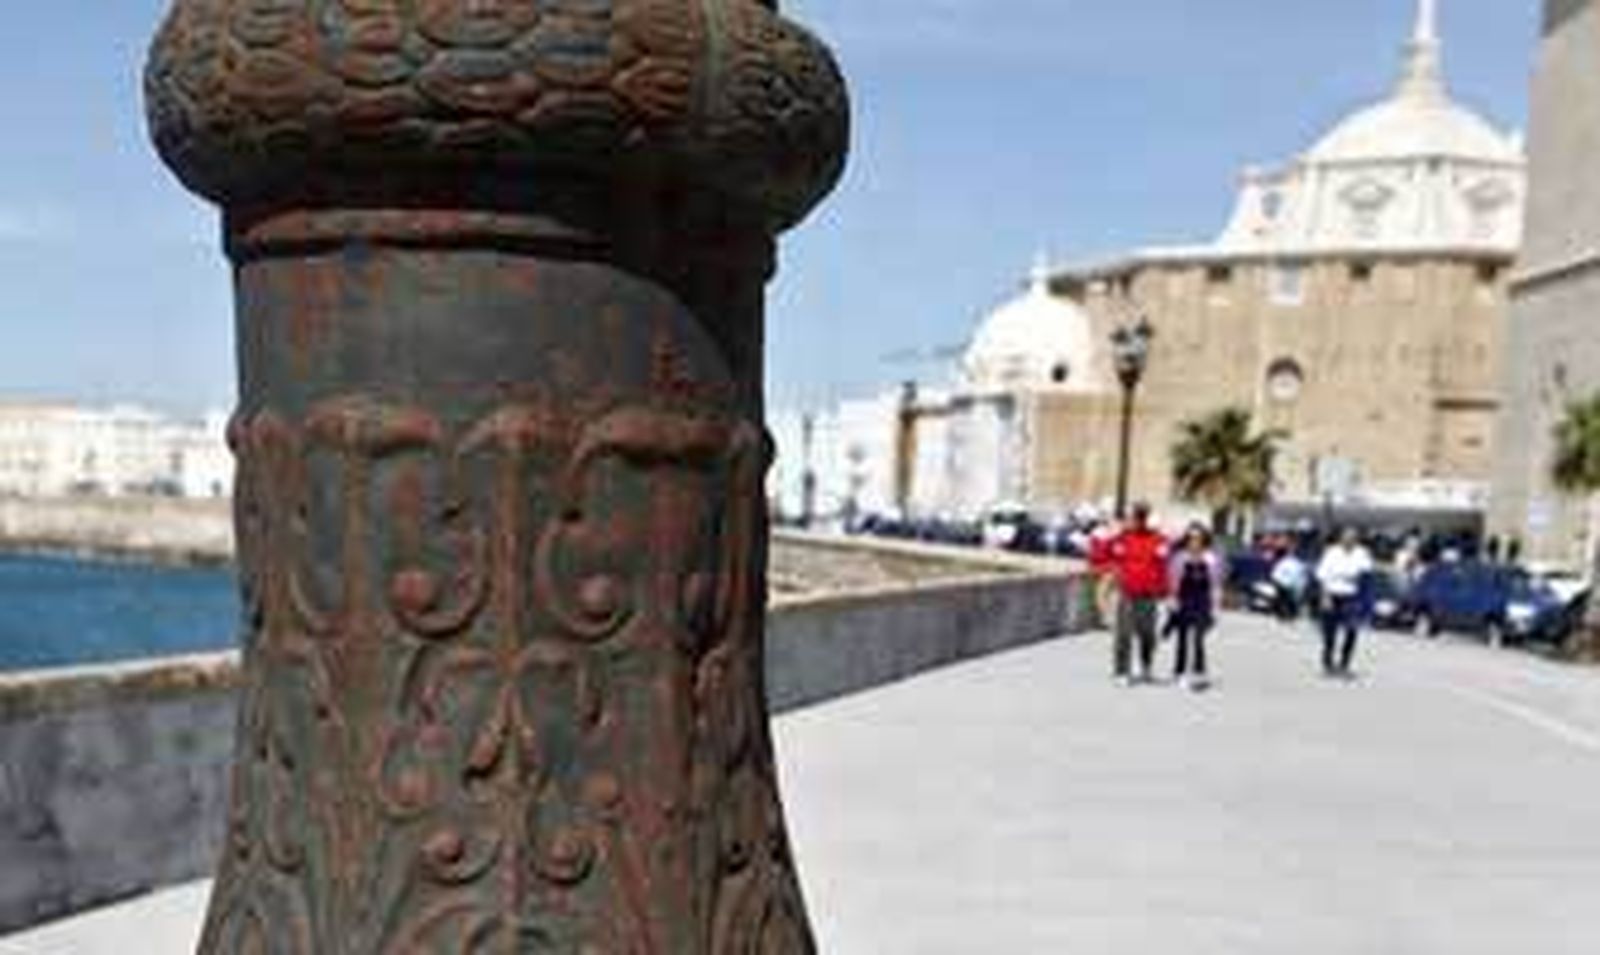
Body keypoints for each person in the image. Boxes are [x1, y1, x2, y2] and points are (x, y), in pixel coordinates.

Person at [1107, 502, 1169, 685]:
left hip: (1149, 594)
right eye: (1135, 517)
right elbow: (1105, 557)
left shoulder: (1158, 540)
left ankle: (1146, 666)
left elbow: (1163, 566)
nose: (1137, 520)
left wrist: (1164, 592)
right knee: (1123, 633)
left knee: (1147, 633)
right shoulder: (1121, 538)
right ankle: (1121, 671)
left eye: (1141, 517)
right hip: (1127, 591)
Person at [1168, 525, 1223, 690]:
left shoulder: (1211, 559)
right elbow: (1173, 580)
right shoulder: (1180, 558)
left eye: (1198, 538)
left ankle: (1199, 671)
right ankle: (1179, 671)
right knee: (1183, 638)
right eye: (1191, 538)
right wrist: (1172, 601)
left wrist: (1215, 607)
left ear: (1204, 540)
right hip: (1184, 599)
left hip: (1202, 601)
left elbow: (1216, 584)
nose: (1194, 542)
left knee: (1198, 637)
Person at [1315, 528, 1374, 678]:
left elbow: (1366, 575)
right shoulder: (1331, 552)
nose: (1349, 541)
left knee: (1351, 631)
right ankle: (1327, 663)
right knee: (1329, 632)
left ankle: (1344, 664)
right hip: (1332, 593)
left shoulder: (1362, 553)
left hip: (1351, 596)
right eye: (1346, 538)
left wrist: (1363, 599)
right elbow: (1322, 576)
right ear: (1341, 539)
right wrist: (1325, 596)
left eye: (1353, 538)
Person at [1270, 547, 1309, 623]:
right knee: (1289, 600)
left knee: (1286, 599)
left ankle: (1287, 615)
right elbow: (1303, 575)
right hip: (1290, 584)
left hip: (1287, 584)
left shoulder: (1287, 562)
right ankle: (1289, 615)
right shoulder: (1294, 563)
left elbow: (1275, 574)